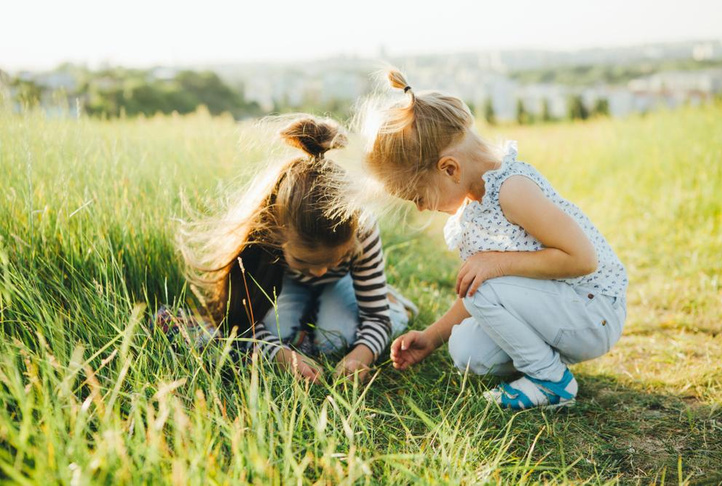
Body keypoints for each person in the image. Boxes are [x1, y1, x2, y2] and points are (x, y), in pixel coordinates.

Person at [358, 70, 627, 409]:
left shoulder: (513, 189)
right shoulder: (473, 210)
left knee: (485, 280)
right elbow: (477, 290)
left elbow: (582, 260)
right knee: (468, 352)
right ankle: (544, 362)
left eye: (417, 195)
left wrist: (495, 263)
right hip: (559, 310)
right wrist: (431, 338)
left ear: (449, 169)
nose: (422, 207)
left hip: (593, 311)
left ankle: (551, 382)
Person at [170, 116, 414, 383]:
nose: (320, 272)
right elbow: (242, 320)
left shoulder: (363, 229)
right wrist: (280, 354)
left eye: (335, 259)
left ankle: (395, 304)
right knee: (278, 330)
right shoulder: (264, 231)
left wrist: (360, 355)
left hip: (341, 284)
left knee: (337, 339)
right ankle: (309, 312)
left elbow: (375, 319)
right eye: (304, 261)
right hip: (285, 284)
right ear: (277, 236)